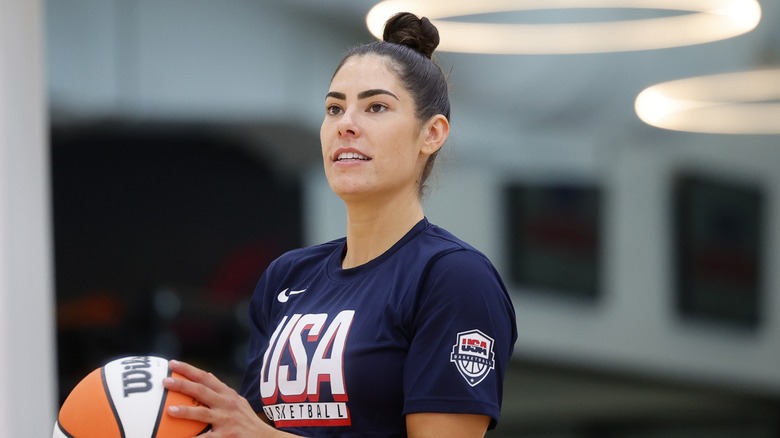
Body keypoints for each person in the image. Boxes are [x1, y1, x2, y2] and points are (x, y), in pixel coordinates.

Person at [163, 11, 517, 437]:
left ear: (432, 133)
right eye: (334, 108)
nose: (346, 124)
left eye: (376, 107)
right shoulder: (285, 276)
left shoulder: (454, 277)